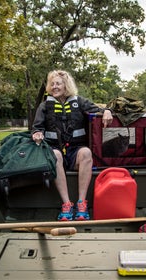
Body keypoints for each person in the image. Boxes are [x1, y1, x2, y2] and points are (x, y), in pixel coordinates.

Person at [31, 70, 113, 221]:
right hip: (55, 150)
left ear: (66, 85)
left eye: (58, 84)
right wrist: (37, 134)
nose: (54, 87)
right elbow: (37, 127)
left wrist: (107, 111)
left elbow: (99, 110)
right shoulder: (44, 106)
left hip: (75, 151)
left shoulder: (80, 102)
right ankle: (67, 204)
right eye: (52, 84)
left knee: (87, 153)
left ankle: (81, 204)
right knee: (54, 155)